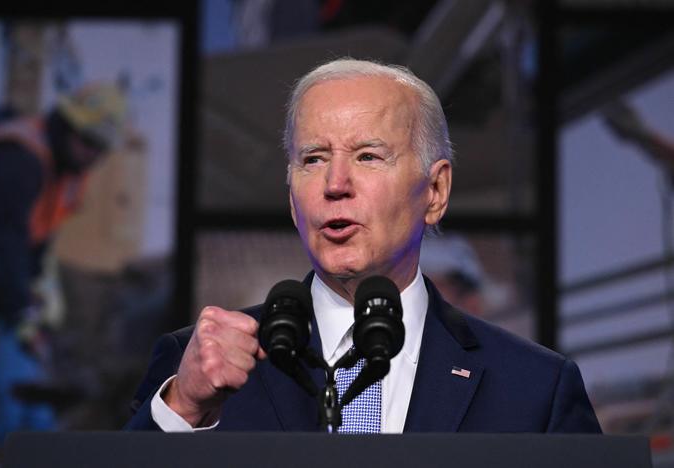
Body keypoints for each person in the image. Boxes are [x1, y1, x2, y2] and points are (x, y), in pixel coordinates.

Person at [125, 58, 601, 433]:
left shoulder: (534, 387)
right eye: (313, 159)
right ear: (292, 199)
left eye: (368, 156)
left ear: (435, 192)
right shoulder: (195, 368)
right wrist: (183, 407)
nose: (335, 184)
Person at [0, 81, 126, 441]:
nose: (91, 154)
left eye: (100, 148)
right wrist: (20, 308)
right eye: (87, 141)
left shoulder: (68, 171)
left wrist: (33, 293)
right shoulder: (19, 158)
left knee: (17, 352)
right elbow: (4, 241)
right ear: (66, 125)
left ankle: (25, 439)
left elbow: (36, 237)